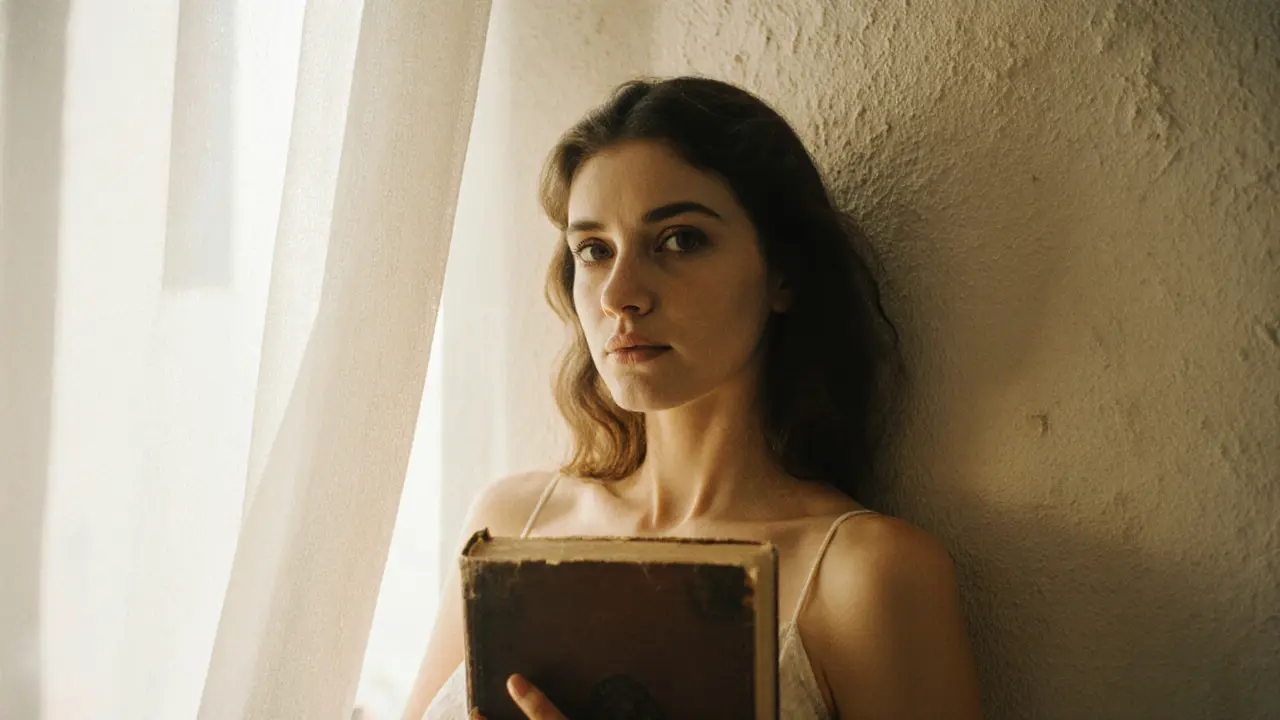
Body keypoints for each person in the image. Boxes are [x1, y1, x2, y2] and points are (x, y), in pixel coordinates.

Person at [403, 75, 981, 720]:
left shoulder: (865, 576)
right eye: (593, 250)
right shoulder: (511, 523)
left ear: (783, 274)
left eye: (679, 239)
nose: (619, 293)